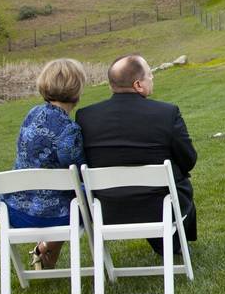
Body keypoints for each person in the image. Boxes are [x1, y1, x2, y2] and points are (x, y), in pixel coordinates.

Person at [76, 54, 197, 254]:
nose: (153, 78)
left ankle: (170, 244)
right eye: (150, 75)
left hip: (106, 209)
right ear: (138, 85)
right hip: (160, 207)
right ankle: (174, 244)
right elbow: (189, 160)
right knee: (179, 180)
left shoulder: (86, 117)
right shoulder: (166, 113)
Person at [3, 58, 87, 270]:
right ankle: (47, 250)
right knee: (88, 196)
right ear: (77, 89)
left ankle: (46, 253)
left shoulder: (32, 114)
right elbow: (79, 172)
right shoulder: (69, 130)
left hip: (16, 212)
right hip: (53, 217)